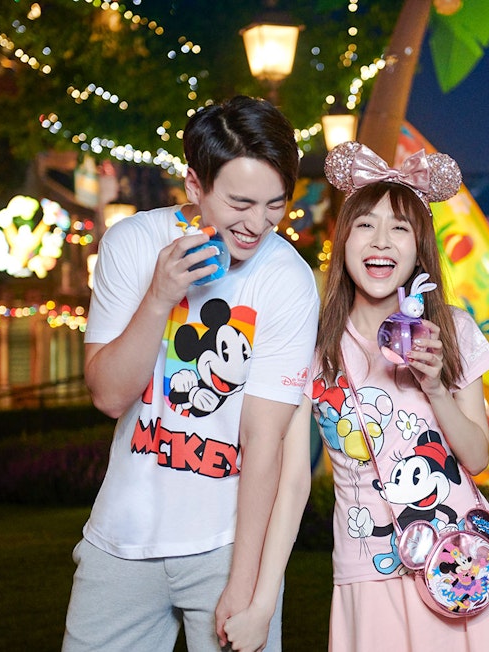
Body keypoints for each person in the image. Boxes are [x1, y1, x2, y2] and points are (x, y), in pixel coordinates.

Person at [224, 141, 489, 651]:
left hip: (461, 561)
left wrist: (434, 387)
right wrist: (262, 604)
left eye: (399, 228)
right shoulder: (312, 345)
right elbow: (291, 482)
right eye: (365, 225)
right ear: (342, 241)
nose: (381, 242)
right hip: (369, 573)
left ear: (419, 248)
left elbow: (477, 455)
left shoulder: (454, 330)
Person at [63, 95, 319, 652]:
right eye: (241, 202)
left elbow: (263, 439)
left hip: (227, 542)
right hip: (121, 539)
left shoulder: (288, 280)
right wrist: (160, 297)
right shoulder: (130, 244)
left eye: (275, 204)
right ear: (195, 185)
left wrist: (246, 582)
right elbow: (108, 396)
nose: (259, 224)